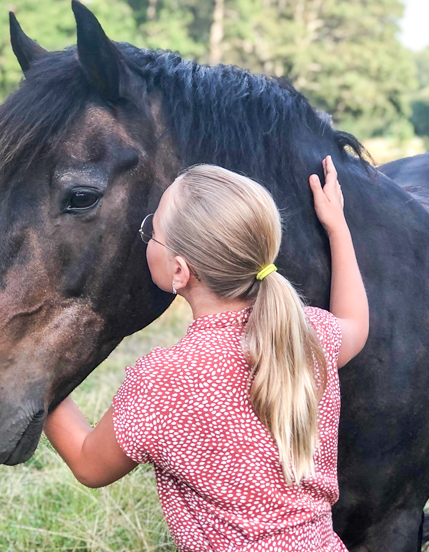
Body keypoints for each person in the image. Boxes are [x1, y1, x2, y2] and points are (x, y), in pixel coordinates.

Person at [43, 155, 370, 551]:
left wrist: (34, 369)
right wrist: (338, 227)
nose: (147, 236)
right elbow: (355, 324)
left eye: (153, 230)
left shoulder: (162, 382)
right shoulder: (308, 336)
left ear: (180, 271)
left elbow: (87, 462)